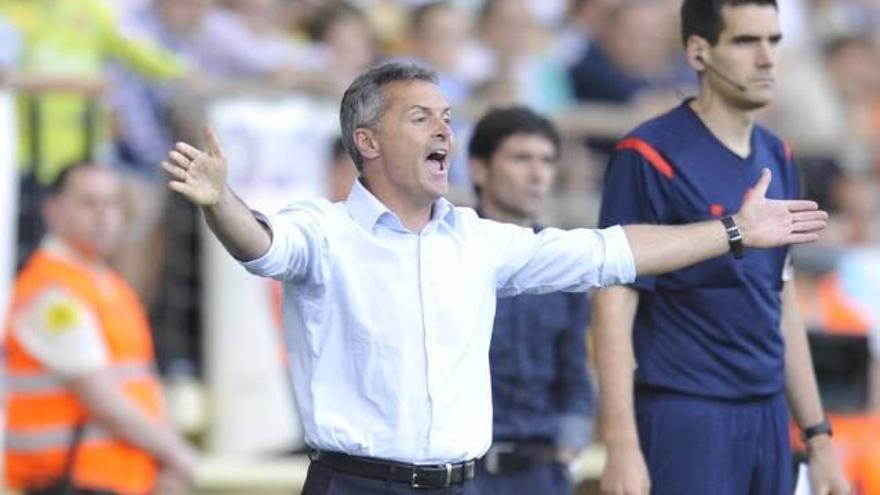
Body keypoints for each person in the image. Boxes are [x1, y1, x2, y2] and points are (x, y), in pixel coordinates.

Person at [161, 61, 826, 494]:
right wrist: (220, 199)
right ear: (367, 141)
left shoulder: (480, 242)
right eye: (420, 116)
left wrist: (734, 231)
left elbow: (611, 251)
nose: (444, 128)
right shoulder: (324, 228)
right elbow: (262, 245)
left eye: (448, 117)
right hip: (355, 484)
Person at [594, 1, 851, 494]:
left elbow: (781, 298)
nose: (767, 57)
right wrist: (621, 447)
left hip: (768, 414)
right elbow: (611, 307)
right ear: (698, 52)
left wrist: (818, 438)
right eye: (745, 41)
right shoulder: (648, 153)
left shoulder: (779, 154)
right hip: (686, 414)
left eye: (774, 40)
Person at [3, 164, 197, 495]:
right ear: (53, 211)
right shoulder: (50, 291)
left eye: (113, 203)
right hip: (70, 481)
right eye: (89, 203)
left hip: (117, 480)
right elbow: (102, 397)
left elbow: (140, 388)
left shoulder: (107, 284)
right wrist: (175, 454)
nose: (104, 216)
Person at [469, 106, 591, 495]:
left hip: (541, 471)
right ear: (479, 169)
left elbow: (573, 371)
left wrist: (568, 448)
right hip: (458, 474)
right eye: (521, 158)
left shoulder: (564, 262)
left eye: (547, 160)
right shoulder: (444, 253)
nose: (538, 174)